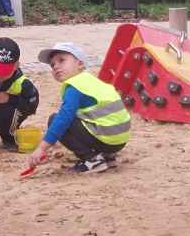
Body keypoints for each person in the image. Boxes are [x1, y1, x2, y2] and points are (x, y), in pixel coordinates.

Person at [26, 42, 131, 174]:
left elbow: (63, 120)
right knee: (79, 116)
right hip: (120, 140)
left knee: (55, 119)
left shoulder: (75, 87)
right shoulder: (91, 81)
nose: (56, 67)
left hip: (107, 139)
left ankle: (93, 160)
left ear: (80, 64)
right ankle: (107, 156)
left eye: (61, 60)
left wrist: (42, 148)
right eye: (53, 65)